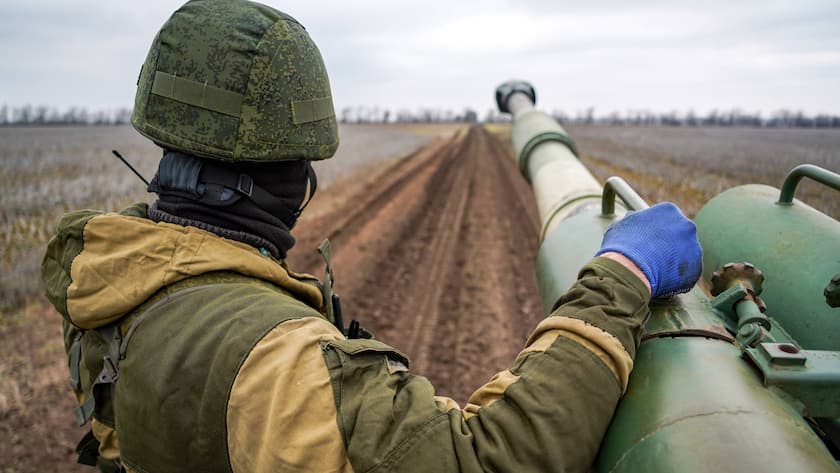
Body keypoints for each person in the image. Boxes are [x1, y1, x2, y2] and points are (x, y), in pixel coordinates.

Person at [41, 1, 703, 472]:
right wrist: (620, 273)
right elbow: (487, 458)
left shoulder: (114, 277)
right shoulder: (277, 364)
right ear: (294, 172)